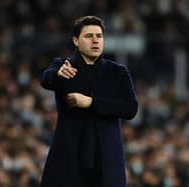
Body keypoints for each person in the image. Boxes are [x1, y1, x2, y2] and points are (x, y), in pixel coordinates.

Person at [40, 15, 138, 187]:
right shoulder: (64, 66)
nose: (95, 41)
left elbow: (130, 108)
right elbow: (46, 79)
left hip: (106, 158)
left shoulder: (117, 72)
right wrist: (57, 73)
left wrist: (91, 102)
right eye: (89, 36)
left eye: (99, 36)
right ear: (76, 41)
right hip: (70, 156)